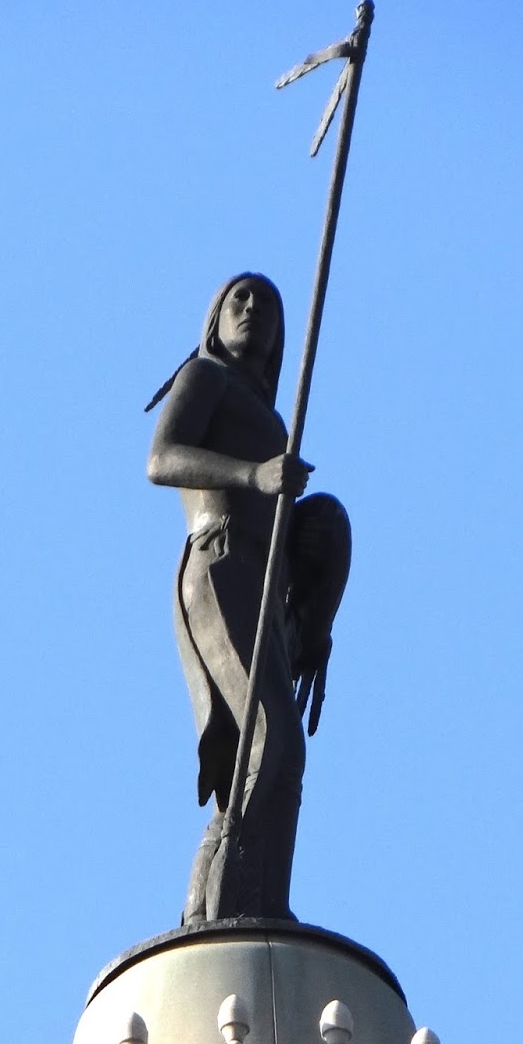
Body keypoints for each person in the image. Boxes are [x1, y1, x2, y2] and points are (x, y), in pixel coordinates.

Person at [147, 273, 349, 923]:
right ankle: (234, 905)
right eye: (240, 297)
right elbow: (161, 459)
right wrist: (252, 476)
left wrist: (313, 613)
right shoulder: (204, 377)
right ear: (214, 317)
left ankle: (247, 905)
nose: (254, 306)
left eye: (268, 303)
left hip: (260, 581)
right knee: (272, 741)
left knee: (267, 753)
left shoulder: (272, 420)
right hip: (220, 562)